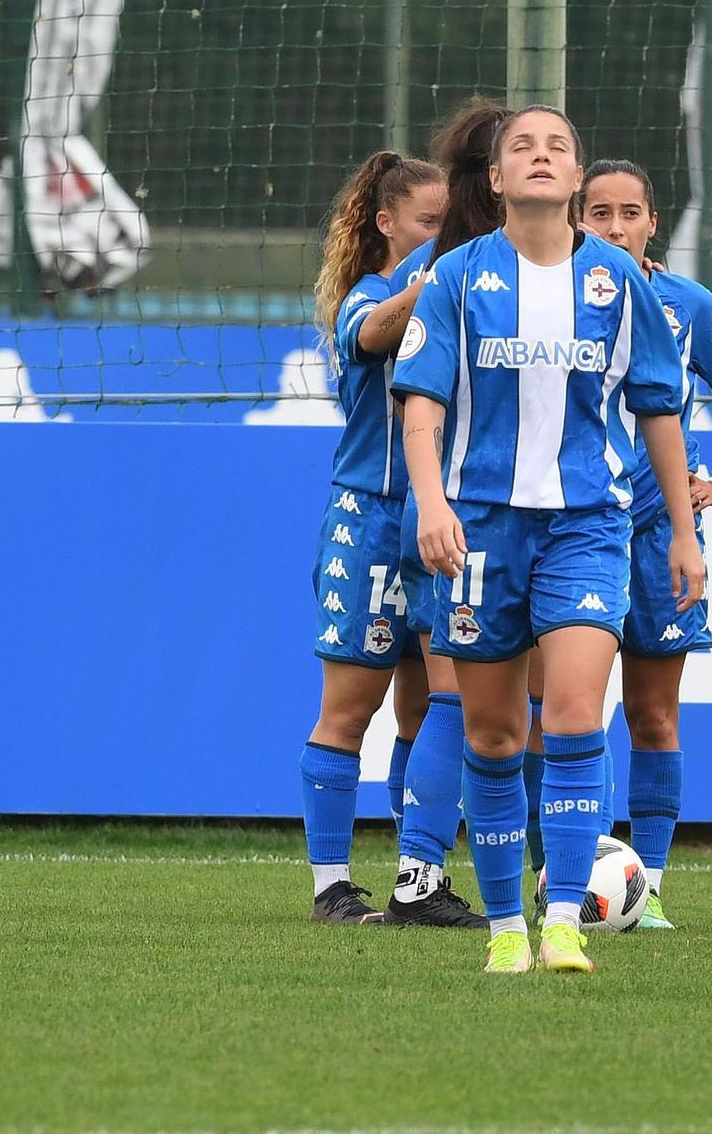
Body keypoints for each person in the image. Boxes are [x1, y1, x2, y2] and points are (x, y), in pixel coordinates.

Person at [394, 104, 705, 974]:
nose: (539, 157)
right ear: (495, 180)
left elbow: (658, 409)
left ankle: (563, 919)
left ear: (576, 179)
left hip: (587, 527)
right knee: (492, 737)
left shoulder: (618, 281)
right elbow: (421, 399)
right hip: (479, 530)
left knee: (572, 714)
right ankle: (504, 930)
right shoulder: (456, 276)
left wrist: (683, 533)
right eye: (521, 148)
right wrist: (429, 503)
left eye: (557, 147)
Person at [580, 159, 712, 929]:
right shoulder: (556, 299)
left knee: (653, 717)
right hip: (576, 526)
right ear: (577, 218)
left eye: (631, 211)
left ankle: (647, 888)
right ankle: (574, 874)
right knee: (570, 712)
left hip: (663, 530)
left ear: (654, 223)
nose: (616, 226)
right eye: (600, 212)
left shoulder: (684, 304)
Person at [300, 150, 445, 923]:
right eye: (427, 222)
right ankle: (330, 886)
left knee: (427, 715)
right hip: (373, 519)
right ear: (387, 223)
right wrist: (441, 272)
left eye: (447, 224)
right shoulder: (370, 295)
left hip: (442, 520)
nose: (438, 236)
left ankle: (415, 877)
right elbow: (373, 334)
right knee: (349, 710)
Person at [380, 99, 511, 929]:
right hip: (464, 510)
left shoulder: (442, 264)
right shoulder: (458, 271)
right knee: (457, 697)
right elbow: (410, 396)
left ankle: (442, 868)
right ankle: (419, 875)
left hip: (459, 506)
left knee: (475, 701)